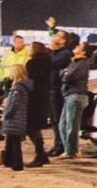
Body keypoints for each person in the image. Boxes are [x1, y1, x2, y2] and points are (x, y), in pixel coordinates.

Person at [55, 39, 90, 160]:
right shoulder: (74, 62)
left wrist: (65, 73)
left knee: (71, 126)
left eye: (80, 46)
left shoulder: (82, 63)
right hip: (69, 95)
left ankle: (70, 152)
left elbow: (68, 77)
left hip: (76, 96)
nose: (76, 46)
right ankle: (70, 150)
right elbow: (62, 74)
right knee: (63, 125)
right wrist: (64, 73)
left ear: (84, 52)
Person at [0, 34, 30, 142]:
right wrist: (2, 80)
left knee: (17, 109)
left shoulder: (27, 53)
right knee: (6, 107)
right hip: (7, 82)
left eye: (21, 42)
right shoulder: (8, 54)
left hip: (19, 82)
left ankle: (20, 133)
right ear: (13, 43)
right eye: (18, 42)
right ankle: (3, 132)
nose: (20, 44)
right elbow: (2, 66)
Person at [24, 41, 52, 168]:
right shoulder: (48, 62)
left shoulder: (33, 64)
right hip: (43, 97)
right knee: (36, 127)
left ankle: (40, 155)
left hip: (33, 98)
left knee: (31, 127)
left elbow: (30, 81)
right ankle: (41, 155)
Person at [46, 20, 72, 156]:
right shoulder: (54, 52)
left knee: (58, 119)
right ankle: (57, 144)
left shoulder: (64, 53)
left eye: (58, 35)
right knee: (53, 119)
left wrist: (50, 49)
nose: (54, 37)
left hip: (56, 89)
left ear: (63, 41)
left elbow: (48, 63)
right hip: (50, 88)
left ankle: (61, 145)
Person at [0, 64, 30, 173]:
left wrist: (6, 114)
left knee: (14, 144)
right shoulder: (20, 86)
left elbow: (14, 105)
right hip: (17, 118)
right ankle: (9, 163)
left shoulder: (18, 87)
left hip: (15, 119)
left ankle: (17, 165)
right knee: (11, 142)